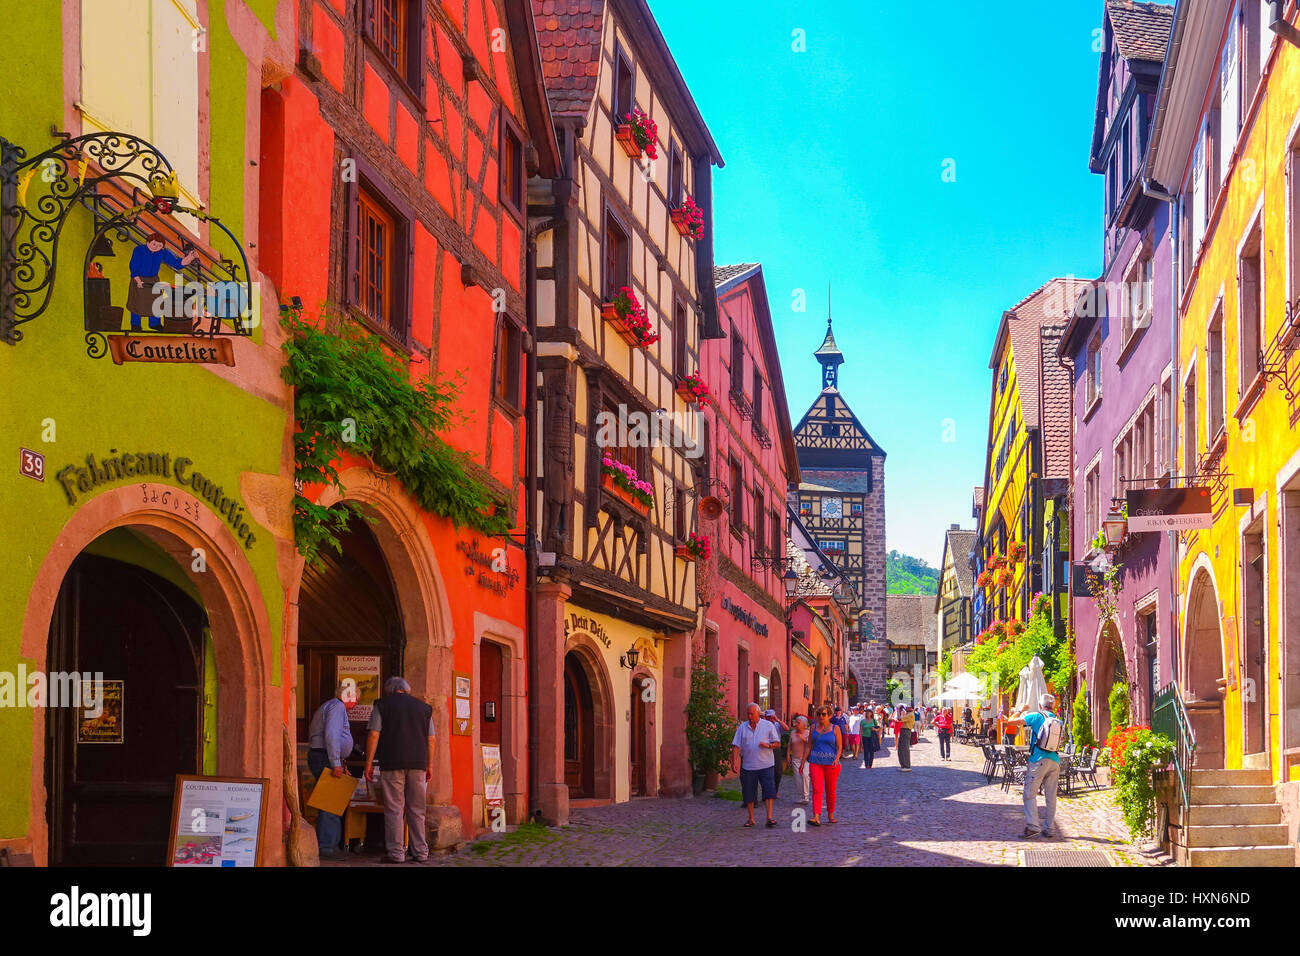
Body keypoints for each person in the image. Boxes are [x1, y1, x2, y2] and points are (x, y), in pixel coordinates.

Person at [364, 676, 436, 863]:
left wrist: (369, 763)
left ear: (389, 690)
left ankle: (396, 853)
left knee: (395, 808)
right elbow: (431, 739)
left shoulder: (382, 705)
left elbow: (373, 734)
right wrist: (429, 765)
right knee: (417, 809)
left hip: (392, 762)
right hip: (418, 763)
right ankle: (420, 852)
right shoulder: (424, 708)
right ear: (407, 689)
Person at [306, 680, 359, 858]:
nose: (356, 704)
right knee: (330, 802)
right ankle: (326, 847)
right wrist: (336, 763)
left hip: (324, 756)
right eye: (356, 700)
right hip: (325, 757)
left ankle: (330, 845)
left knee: (332, 801)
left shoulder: (331, 706)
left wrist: (340, 763)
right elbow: (332, 735)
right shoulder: (337, 707)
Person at [1007, 693, 1065, 838]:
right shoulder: (1058, 720)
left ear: (1040, 705)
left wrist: (1020, 710)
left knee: (1029, 793)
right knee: (1051, 796)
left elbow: (1010, 722)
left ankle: (1033, 826)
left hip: (1038, 760)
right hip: (1055, 761)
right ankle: (1049, 828)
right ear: (1053, 706)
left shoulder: (1036, 716)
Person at [731, 703, 782, 827]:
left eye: (751, 714)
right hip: (748, 766)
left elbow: (777, 743)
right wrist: (734, 761)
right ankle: (751, 818)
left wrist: (768, 745)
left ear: (758, 713)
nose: (749, 716)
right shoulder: (742, 727)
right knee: (749, 793)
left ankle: (769, 817)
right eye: (747, 713)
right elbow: (736, 746)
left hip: (766, 764)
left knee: (769, 791)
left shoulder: (768, 725)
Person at [807, 706, 842, 825]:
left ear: (829, 716)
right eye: (819, 714)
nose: (821, 717)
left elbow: (840, 747)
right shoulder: (813, 727)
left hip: (831, 764)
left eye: (823, 714)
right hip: (815, 762)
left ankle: (830, 814)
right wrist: (802, 762)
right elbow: (809, 746)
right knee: (817, 789)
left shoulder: (835, 729)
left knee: (830, 790)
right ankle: (816, 816)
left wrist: (836, 759)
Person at [763, 709, 790, 798]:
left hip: (776, 749)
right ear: (765, 717)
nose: (771, 719)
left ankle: (775, 790)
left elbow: (787, 729)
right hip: (765, 749)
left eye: (772, 717)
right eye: (769, 717)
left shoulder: (777, 724)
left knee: (778, 771)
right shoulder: (763, 725)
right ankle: (766, 792)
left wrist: (777, 719)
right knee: (766, 772)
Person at [788, 715, 812, 804]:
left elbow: (811, 745)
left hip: (805, 759)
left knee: (805, 775)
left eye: (798, 723)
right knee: (797, 777)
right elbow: (789, 744)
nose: (796, 724)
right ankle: (801, 795)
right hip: (795, 758)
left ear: (804, 724)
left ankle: (806, 797)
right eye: (796, 722)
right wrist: (788, 755)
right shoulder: (793, 733)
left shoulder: (808, 733)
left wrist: (804, 739)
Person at [895, 704, 914, 771]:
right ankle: (903, 765)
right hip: (903, 730)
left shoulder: (910, 714)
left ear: (911, 708)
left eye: (907, 707)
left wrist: (897, 710)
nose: (906, 708)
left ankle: (907, 766)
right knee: (901, 748)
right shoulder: (907, 714)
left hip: (906, 730)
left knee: (905, 748)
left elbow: (899, 719)